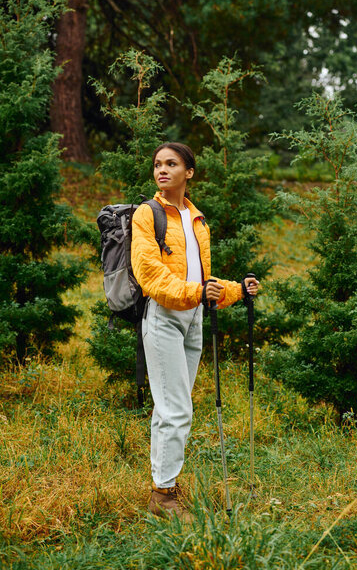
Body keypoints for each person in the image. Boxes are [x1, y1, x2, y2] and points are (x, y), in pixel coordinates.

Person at [131, 142, 259, 521]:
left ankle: (164, 485)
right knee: (176, 409)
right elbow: (150, 274)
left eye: (171, 164)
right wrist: (197, 293)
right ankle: (163, 497)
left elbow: (203, 281)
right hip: (164, 316)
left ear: (189, 172)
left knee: (172, 408)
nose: (162, 170)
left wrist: (238, 289)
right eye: (157, 164)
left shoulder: (196, 220)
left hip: (193, 320)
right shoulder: (147, 214)